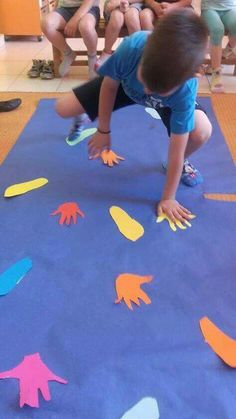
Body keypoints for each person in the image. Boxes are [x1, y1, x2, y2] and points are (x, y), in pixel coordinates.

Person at [55, 9, 212, 224]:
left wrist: (168, 197)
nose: (147, 90)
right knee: (62, 108)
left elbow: (176, 147)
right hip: (124, 86)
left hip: (164, 103)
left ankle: (184, 163)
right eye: (146, 80)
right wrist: (103, 129)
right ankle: (84, 115)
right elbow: (109, 87)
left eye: (155, 87)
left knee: (202, 131)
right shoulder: (133, 45)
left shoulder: (184, 89)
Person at [41, 0, 100, 79]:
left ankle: (92, 57)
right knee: (46, 24)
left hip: (89, 8)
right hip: (65, 8)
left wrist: (75, 19)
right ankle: (68, 54)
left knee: (86, 27)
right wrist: (55, 9)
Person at [95, 0, 153, 69]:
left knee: (132, 17)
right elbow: (110, 5)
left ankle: (136, 55)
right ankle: (106, 52)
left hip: (135, 4)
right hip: (114, 5)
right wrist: (118, 3)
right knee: (116, 18)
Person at [201, 0, 236, 93]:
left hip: (231, 7)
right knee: (217, 29)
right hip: (209, 8)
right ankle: (216, 73)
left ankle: (228, 50)